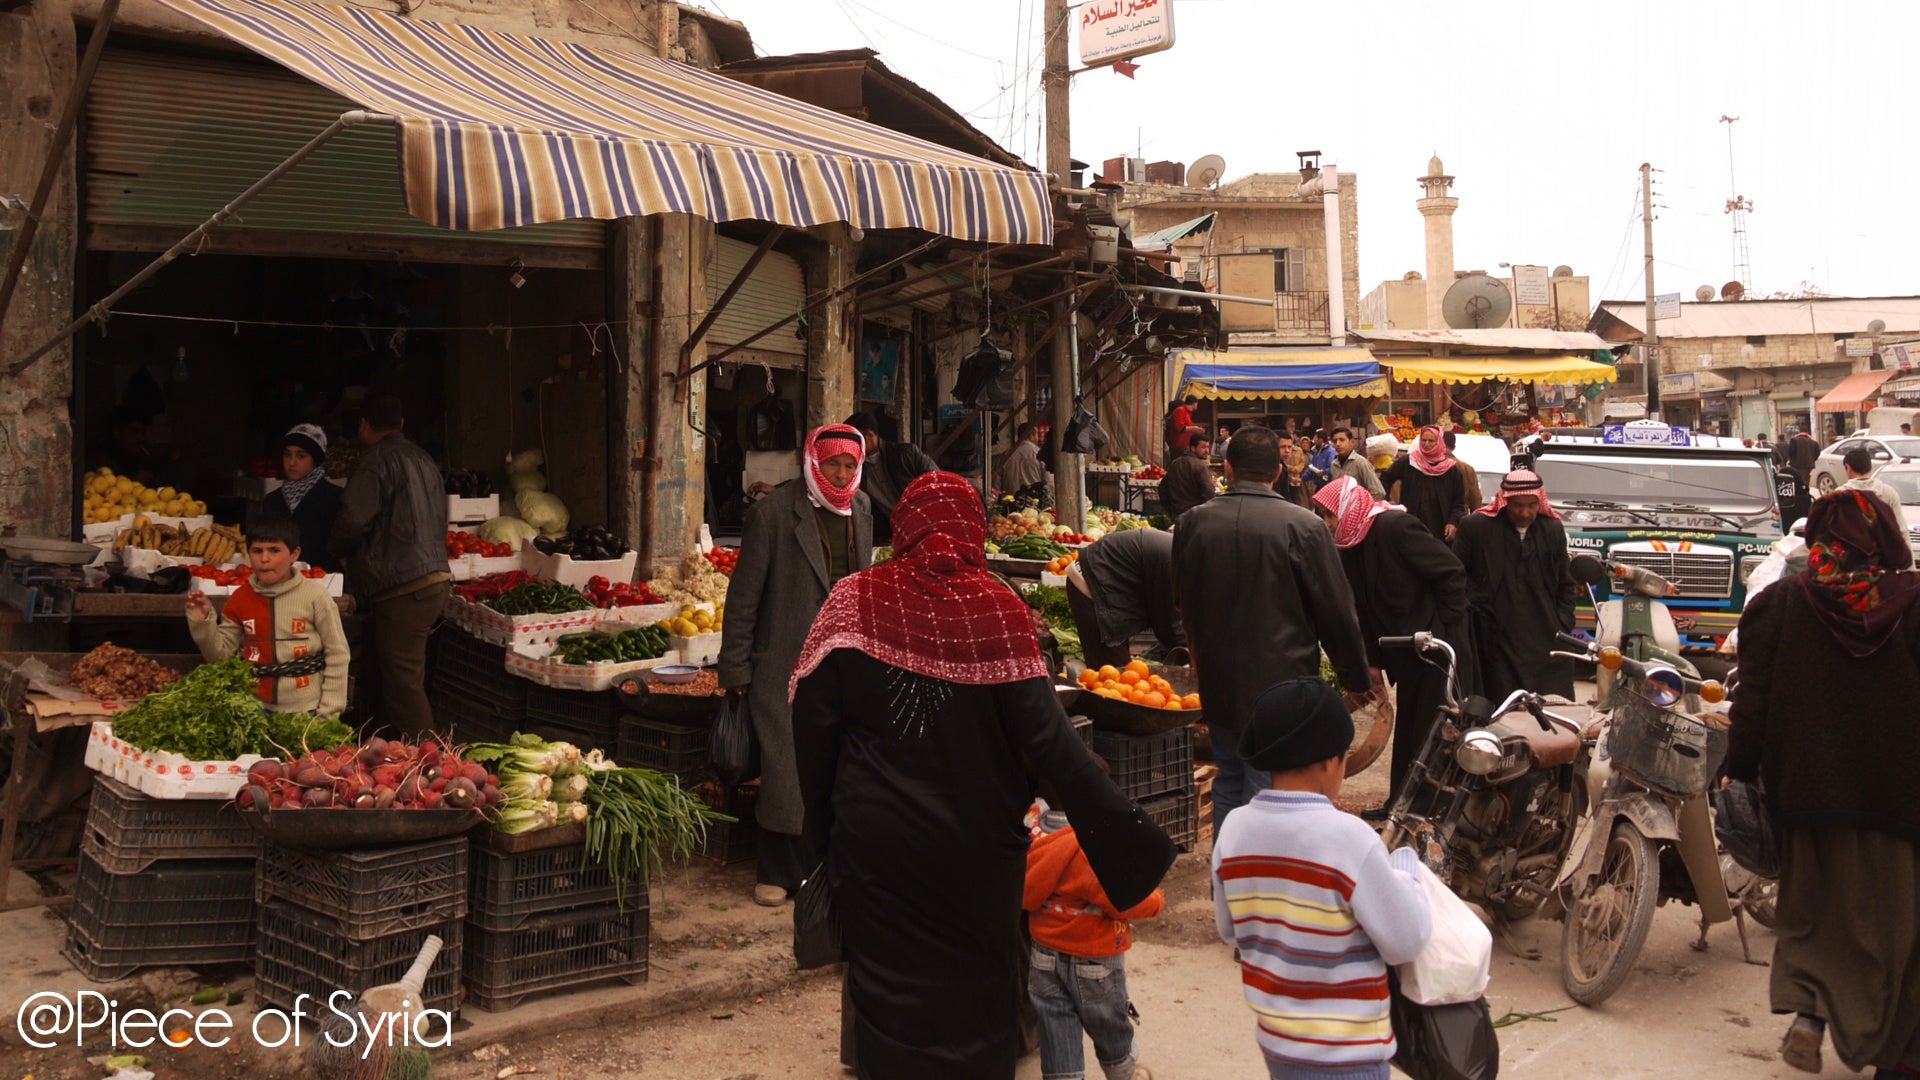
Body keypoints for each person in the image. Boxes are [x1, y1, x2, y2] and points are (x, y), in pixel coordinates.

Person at [791, 471, 1175, 1080]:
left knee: (885, 994)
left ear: (904, 529)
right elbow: (1050, 743)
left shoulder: (852, 602)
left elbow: (812, 732)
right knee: (979, 995)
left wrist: (819, 835)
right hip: (977, 853)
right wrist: (1130, 839)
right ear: (971, 530)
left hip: (875, 847)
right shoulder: (998, 611)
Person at [1727, 490, 1920, 1078]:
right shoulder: (1912, 605)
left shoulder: (1782, 603)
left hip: (1806, 795)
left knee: (1811, 910)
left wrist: (1737, 770)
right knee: (1896, 927)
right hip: (1899, 799)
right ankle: (1898, 1055)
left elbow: (1750, 701)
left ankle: (1810, 1012)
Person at [1213, 678, 1433, 1080]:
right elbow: (1406, 940)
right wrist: (1405, 867)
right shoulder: (1351, 840)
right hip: (1348, 1058)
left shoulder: (1233, 831)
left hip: (1278, 1045)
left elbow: (1230, 931)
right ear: (1330, 762)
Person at [1171, 425, 1372, 831]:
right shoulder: (1304, 526)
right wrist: (1356, 675)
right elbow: (1335, 609)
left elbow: (1182, 599)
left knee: (1230, 776)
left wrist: (1200, 653)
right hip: (1282, 682)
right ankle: (1259, 881)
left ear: (1227, 468)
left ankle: (1228, 879)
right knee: (1271, 786)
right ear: (1278, 472)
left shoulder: (1193, 522)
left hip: (1219, 678)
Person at [719, 424, 874, 907]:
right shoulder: (772, 514)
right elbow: (743, 598)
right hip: (784, 656)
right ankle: (776, 869)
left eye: (850, 465)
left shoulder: (862, 509)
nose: (842, 473)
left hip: (842, 658)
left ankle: (819, 867)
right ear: (812, 462)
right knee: (785, 766)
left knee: (833, 762)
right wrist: (736, 669)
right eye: (833, 464)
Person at [1311, 477, 1473, 810]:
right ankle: (1401, 802)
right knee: (1411, 728)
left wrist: (1446, 630)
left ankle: (1430, 809)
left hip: (1435, 647)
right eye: (1324, 516)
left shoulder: (1396, 528)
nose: (1328, 523)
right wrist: (1372, 662)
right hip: (1402, 649)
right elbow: (1361, 610)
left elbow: (1451, 572)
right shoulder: (1348, 547)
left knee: (1435, 729)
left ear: (1347, 508)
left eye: (1331, 515)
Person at [330, 395, 450, 738]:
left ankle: (429, 763)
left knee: (402, 680)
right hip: (430, 577)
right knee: (394, 673)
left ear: (365, 426)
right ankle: (391, 753)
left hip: (404, 584)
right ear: (401, 425)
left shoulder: (375, 460)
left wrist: (339, 551)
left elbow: (353, 519)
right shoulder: (424, 459)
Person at [1024, 805, 1164, 1080]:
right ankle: (1126, 1072)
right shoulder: (1093, 847)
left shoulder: (1033, 836)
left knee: (1055, 1030)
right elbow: (1123, 899)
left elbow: (1024, 895)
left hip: (1044, 957)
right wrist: (1156, 900)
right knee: (1109, 1027)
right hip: (1095, 960)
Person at [186, 514, 349, 718]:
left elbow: (338, 653)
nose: (264, 559)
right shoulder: (241, 598)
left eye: (274, 550)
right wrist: (203, 623)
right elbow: (221, 657)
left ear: (294, 554)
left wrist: (328, 713)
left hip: (307, 710)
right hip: (254, 709)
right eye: (257, 551)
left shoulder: (315, 597)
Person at [1451, 470, 1579, 700]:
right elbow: (1456, 577)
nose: (1525, 513)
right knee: (1497, 709)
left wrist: (1563, 622)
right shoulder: (1476, 527)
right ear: (1504, 501)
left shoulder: (1552, 530)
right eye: (1517, 506)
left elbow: (1565, 584)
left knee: (1550, 713)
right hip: (1493, 638)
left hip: (1545, 636)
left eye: (1531, 505)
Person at [1066, 528, 1184, 670]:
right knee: (1113, 676)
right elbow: (1168, 627)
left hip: (1106, 582)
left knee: (1121, 673)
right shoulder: (1171, 562)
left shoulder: (1180, 554)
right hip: (1091, 584)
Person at [261, 423, 344, 574]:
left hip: (324, 584)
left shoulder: (336, 498)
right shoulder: (272, 501)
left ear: (315, 460)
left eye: (301, 456)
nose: (292, 463)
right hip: (279, 584)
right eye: (287, 454)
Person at [844, 410, 937, 543]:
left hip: (928, 527)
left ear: (869, 436)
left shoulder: (907, 454)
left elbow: (938, 480)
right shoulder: (855, 468)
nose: (850, 447)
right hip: (894, 538)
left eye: (853, 441)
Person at [1383, 425, 1469, 541]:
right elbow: (1385, 479)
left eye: (1431, 441)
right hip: (1411, 528)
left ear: (1439, 442)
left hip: (1440, 532)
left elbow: (1459, 503)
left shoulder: (1451, 470)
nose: (1426, 444)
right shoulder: (1409, 462)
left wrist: (1453, 522)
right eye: (1423, 440)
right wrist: (1386, 502)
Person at [1157, 435, 1214, 519]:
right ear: (1193, 448)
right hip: (1194, 516)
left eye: (1207, 447)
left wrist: (1170, 510)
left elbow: (1162, 489)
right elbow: (1209, 493)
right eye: (1203, 447)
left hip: (1176, 515)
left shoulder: (1175, 463)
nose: (1206, 450)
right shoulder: (1200, 466)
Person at [1325, 427, 1386, 498]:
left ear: (1352, 442)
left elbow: (1378, 492)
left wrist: (1363, 507)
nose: (1338, 444)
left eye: (1342, 440)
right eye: (1335, 441)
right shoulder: (1334, 465)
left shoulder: (1361, 463)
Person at [996, 422, 1049, 494]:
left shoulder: (1006, 455)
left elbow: (996, 483)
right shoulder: (1040, 453)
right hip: (1035, 501)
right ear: (1031, 436)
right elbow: (1049, 482)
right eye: (1037, 435)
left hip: (1010, 502)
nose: (1038, 438)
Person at [1443, 430, 1485, 510]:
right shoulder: (1466, 468)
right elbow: (1475, 498)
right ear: (1454, 447)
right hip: (1460, 516)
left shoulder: (1429, 465)